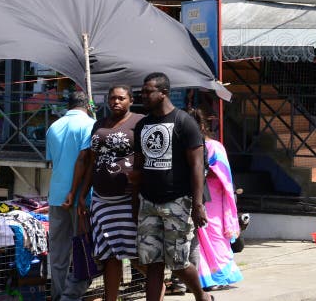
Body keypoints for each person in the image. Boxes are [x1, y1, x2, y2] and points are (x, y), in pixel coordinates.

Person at [134, 72, 211, 301]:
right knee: (152, 261)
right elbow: (139, 165)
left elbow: (197, 165)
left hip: (178, 200)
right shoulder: (143, 125)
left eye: (148, 92)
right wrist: (134, 202)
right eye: (142, 91)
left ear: (164, 93)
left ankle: (201, 295)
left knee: (177, 261)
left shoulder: (184, 122)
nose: (143, 96)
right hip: (148, 201)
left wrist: (197, 205)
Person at [76, 85, 143, 301]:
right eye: (112, 98)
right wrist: (82, 194)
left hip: (126, 199)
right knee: (109, 255)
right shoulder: (100, 124)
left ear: (130, 100)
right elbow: (92, 162)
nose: (116, 102)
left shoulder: (140, 123)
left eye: (121, 98)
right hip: (100, 200)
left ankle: (156, 288)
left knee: (132, 252)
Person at [46, 91, 95, 301]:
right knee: (85, 248)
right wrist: (76, 193)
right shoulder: (91, 125)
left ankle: (59, 295)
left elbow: (52, 161)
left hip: (56, 194)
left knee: (58, 252)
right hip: (82, 197)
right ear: (87, 106)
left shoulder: (53, 127)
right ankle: (72, 295)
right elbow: (85, 161)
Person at [190, 107, 243, 291]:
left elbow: (224, 175)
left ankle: (218, 277)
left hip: (212, 197)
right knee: (203, 237)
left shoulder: (213, 146)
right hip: (202, 196)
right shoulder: (199, 146)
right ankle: (206, 279)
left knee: (213, 235)